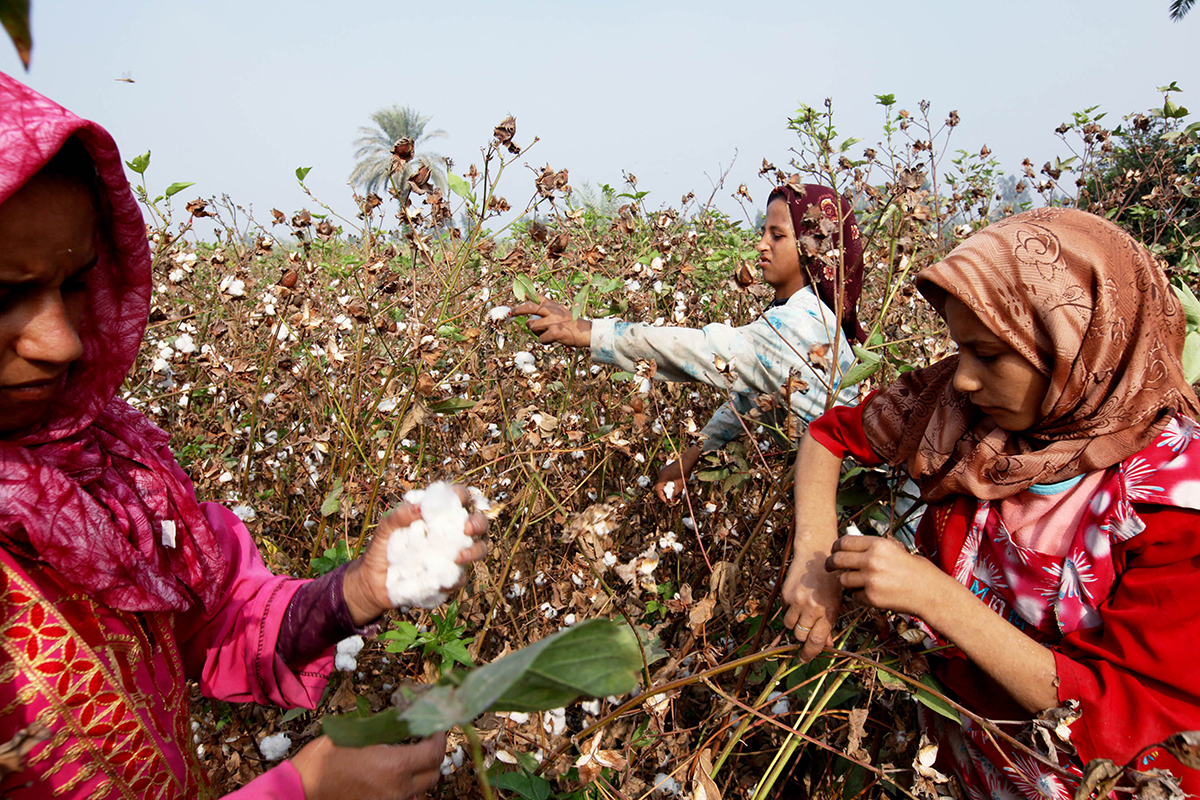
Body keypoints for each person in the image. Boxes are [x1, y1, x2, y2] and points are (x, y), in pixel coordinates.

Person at [0, 74, 488, 799]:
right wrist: (300, 792)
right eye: (7, 292)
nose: (63, 343)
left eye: (75, 282)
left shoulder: (102, 472)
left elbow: (212, 619)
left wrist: (354, 591)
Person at [782, 207, 1200, 795]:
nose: (964, 379)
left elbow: (1137, 713)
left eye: (991, 355)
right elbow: (828, 436)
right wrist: (813, 555)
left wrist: (934, 596)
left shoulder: (1175, 500)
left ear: (1080, 344)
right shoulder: (960, 408)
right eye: (962, 350)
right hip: (957, 761)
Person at [512, 183, 865, 502]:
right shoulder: (794, 315)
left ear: (815, 248)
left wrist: (589, 332)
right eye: (763, 232)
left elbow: (706, 351)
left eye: (777, 235)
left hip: (865, 514)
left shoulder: (801, 325)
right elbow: (755, 398)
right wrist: (693, 455)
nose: (761, 245)